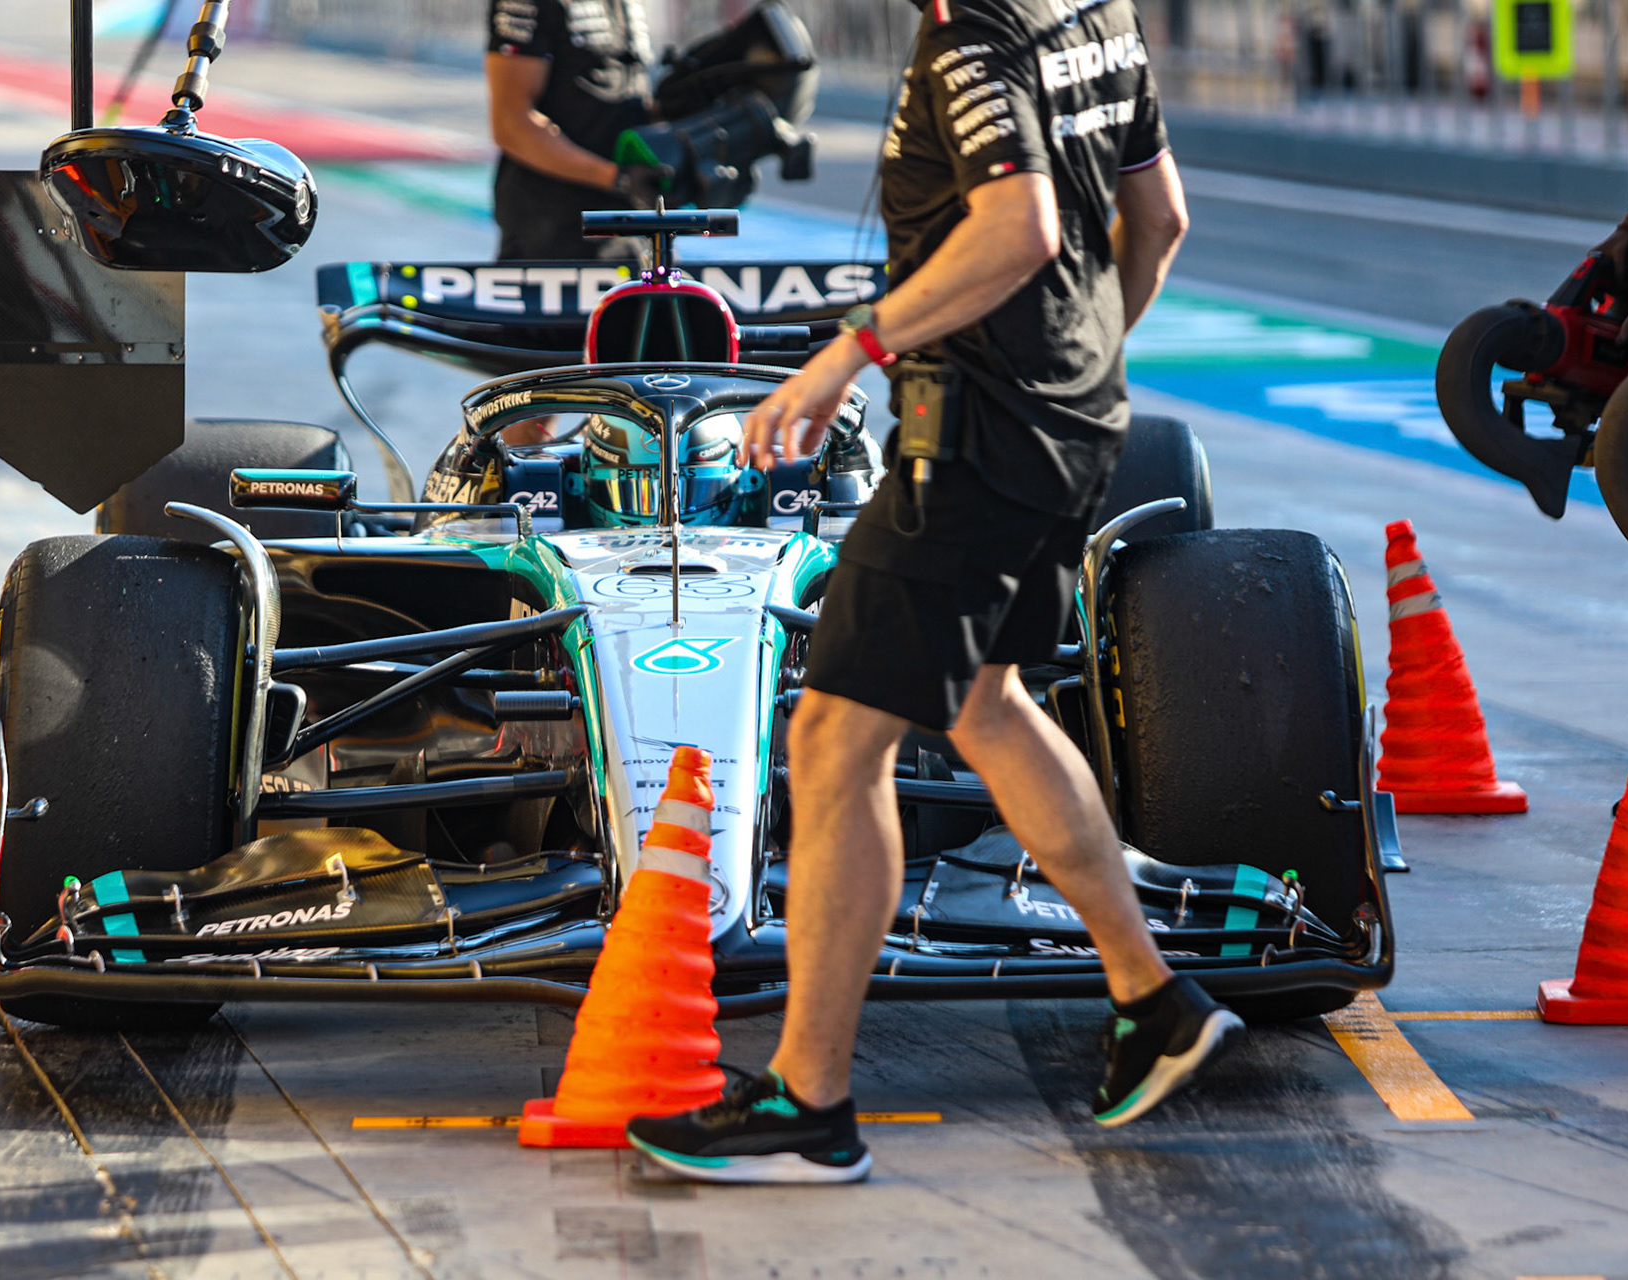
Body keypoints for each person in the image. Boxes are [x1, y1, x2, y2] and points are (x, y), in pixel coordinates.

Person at [627, 0, 1236, 1183]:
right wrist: (1076, 369)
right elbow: (1160, 220)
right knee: (985, 703)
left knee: (834, 737)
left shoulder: (971, 36)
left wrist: (846, 353)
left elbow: (1018, 228)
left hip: (973, 443)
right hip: (1074, 423)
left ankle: (811, 1100)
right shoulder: (1098, 15)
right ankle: (1154, 998)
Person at [484, 0, 660, 262]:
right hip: (552, 229)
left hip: (634, 223)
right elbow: (512, 124)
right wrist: (618, 178)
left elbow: (632, 101)